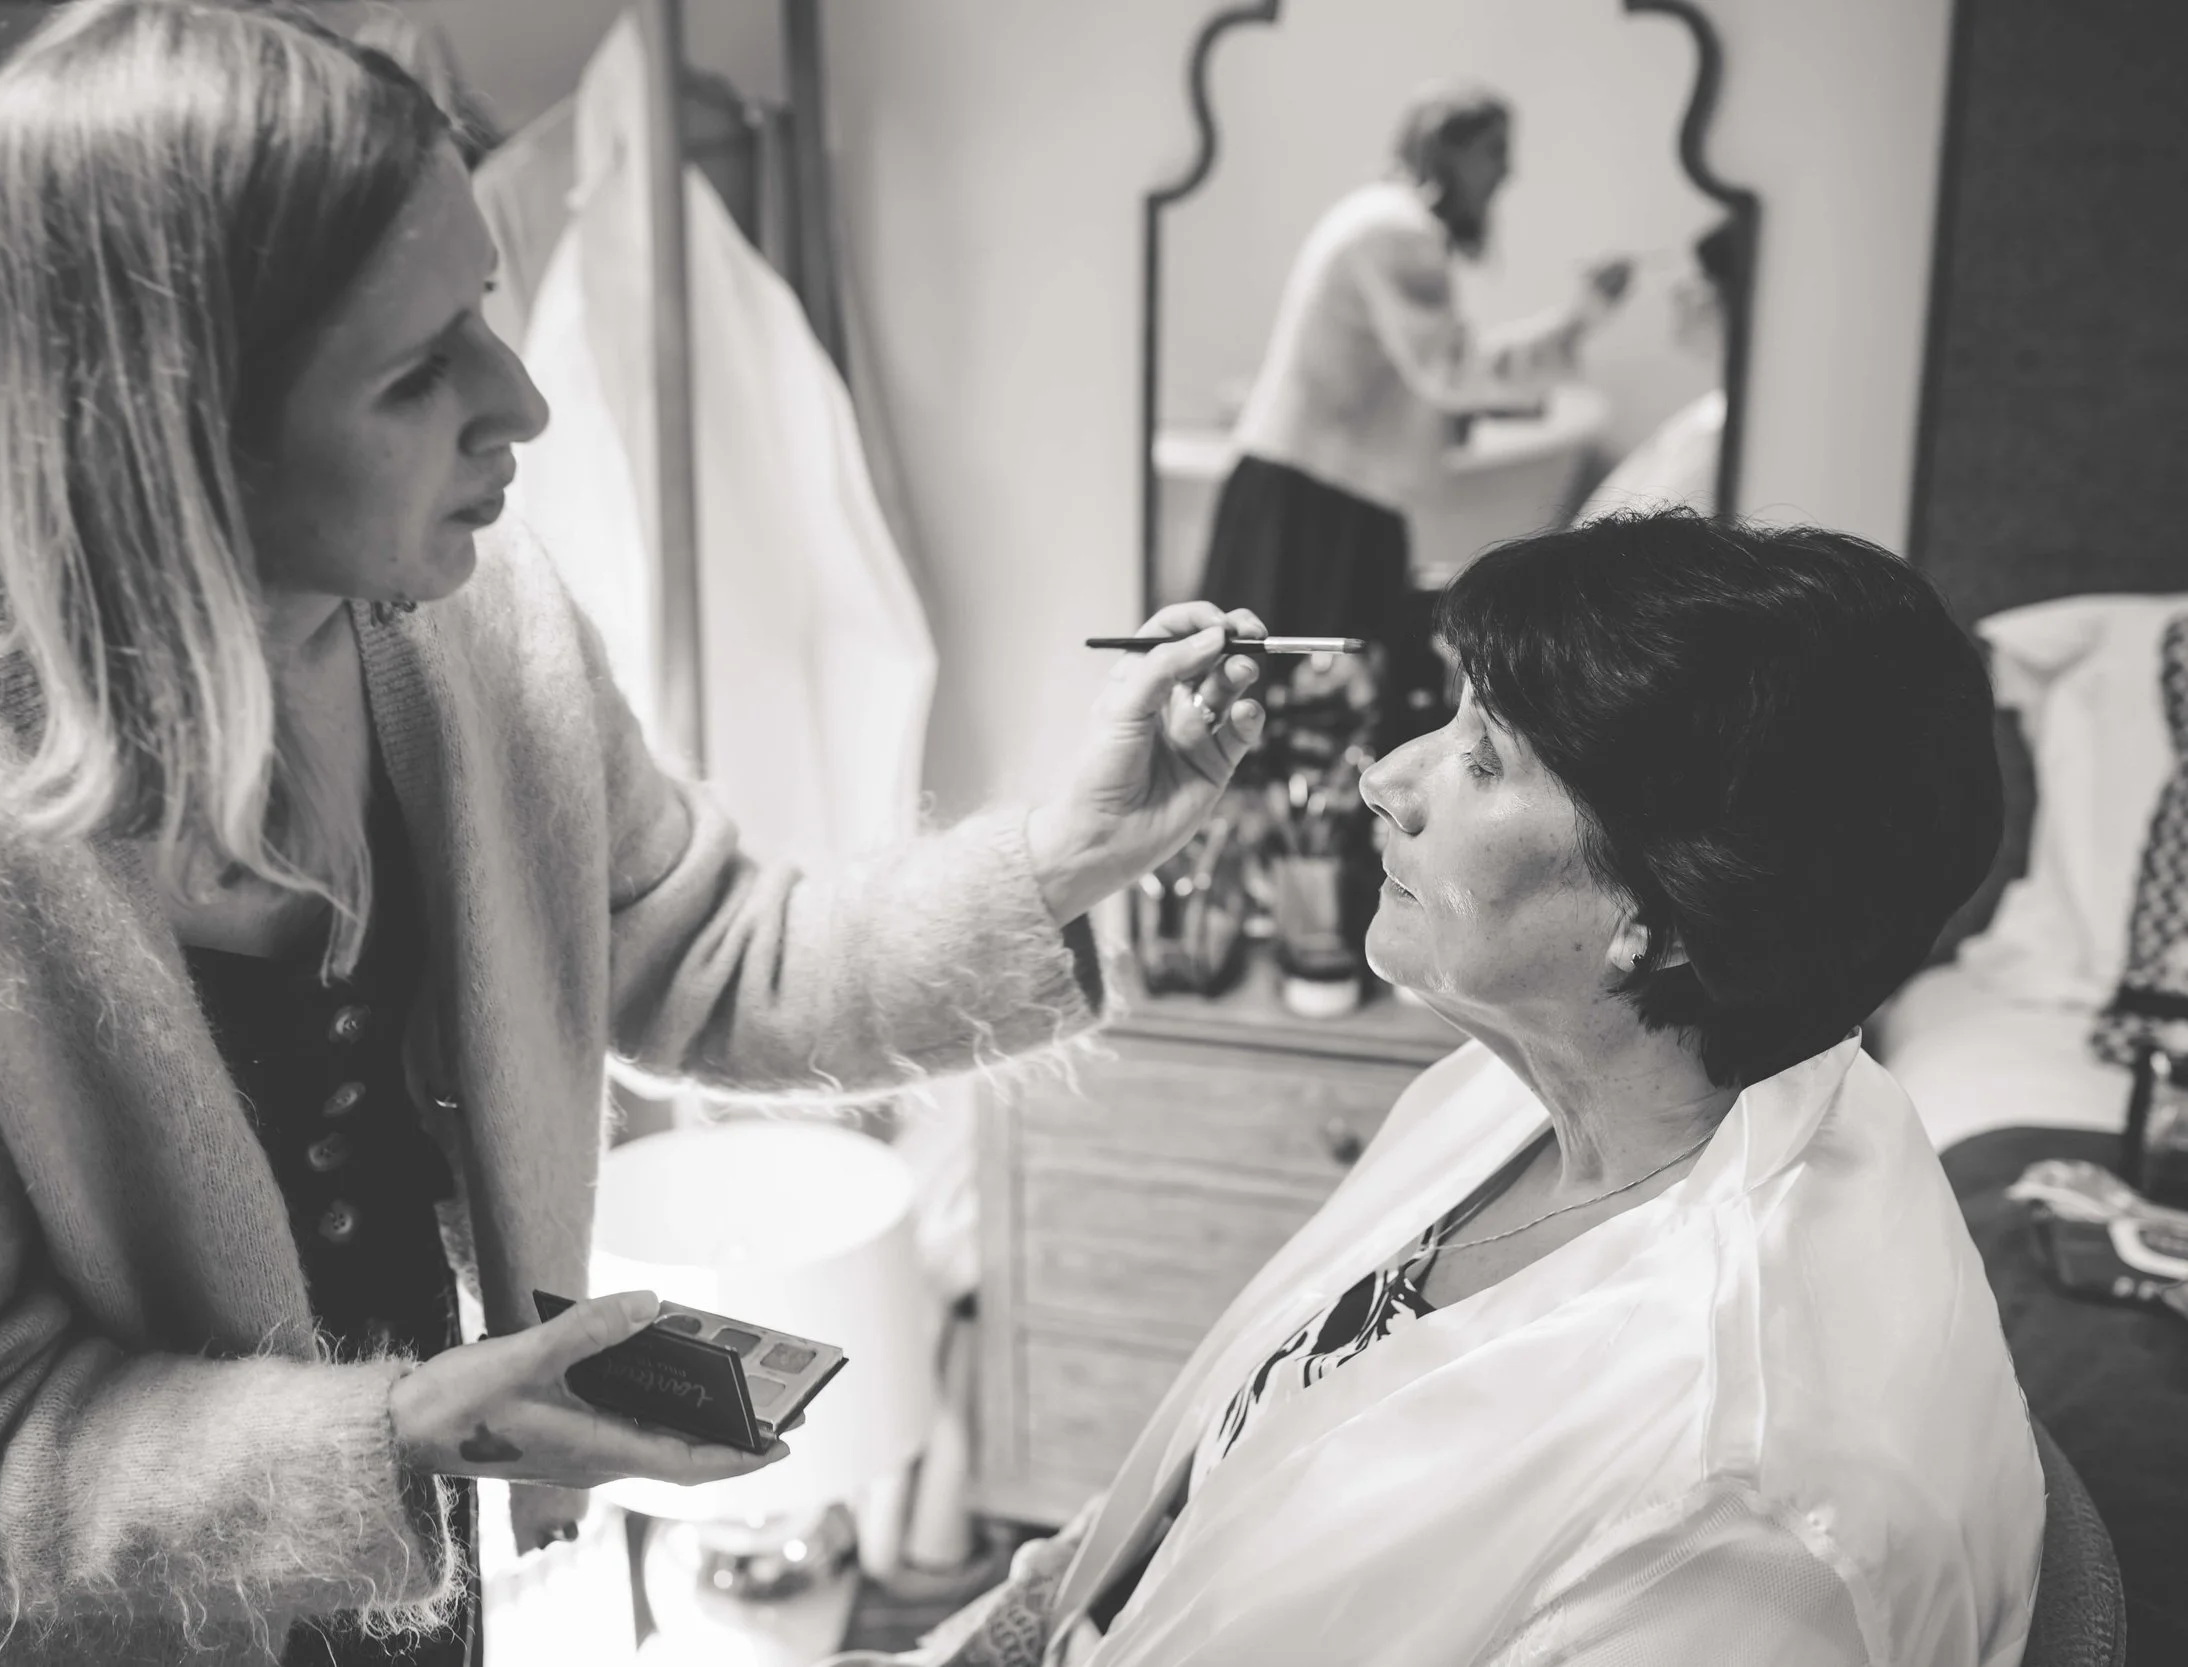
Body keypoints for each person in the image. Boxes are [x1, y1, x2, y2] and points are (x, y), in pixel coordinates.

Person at [0, 4, 1273, 1664]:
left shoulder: (473, 622)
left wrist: (1069, 852)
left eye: (485, 311)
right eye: (413, 370)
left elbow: (713, 950)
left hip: (403, 1572)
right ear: (170, 436)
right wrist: (393, 1437)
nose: (518, 400)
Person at [836, 511, 2043, 1666]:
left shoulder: (1739, 1515)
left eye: (1483, 757)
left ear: (1659, 916)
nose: (1381, 776)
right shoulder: (1517, 1083)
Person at [1199, 82, 1632, 736]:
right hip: (1318, 500)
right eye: (1495, 151)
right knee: (1309, 714)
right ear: (1448, 150)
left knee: (1289, 708)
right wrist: (1581, 317)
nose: (1509, 172)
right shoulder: (1397, 231)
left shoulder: (1380, 218)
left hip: (1317, 488)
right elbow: (1451, 372)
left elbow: (1420, 372)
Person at [1576, 219, 1742, 521]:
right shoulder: (1709, 421)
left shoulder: (1714, 435)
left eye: (1703, 275)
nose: (1679, 290)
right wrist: (1584, 316)